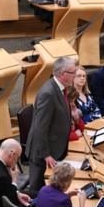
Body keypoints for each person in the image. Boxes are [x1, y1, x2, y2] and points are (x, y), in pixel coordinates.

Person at [25, 56, 78, 191]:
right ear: (62, 74)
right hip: (42, 154)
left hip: (55, 147)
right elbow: (40, 128)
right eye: (73, 72)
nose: (75, 75)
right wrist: (46, 154)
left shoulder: (61, 88)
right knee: (37, 191)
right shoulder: (48, 93)